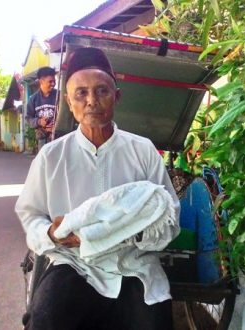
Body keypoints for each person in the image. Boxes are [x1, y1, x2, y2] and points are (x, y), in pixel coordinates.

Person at [15, 47, 180, 330]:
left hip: (133, 264)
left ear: (116, 96)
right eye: (81, 93)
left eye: (102, 91)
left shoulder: (143, 151)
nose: (91, 101)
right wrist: (51, 233)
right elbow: (31, 215)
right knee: (45, 321)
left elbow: (169, 218)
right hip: (73, 263)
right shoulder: (51, 156)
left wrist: (130, 231)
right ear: (68, 101)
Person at [26, 66, 58, 151]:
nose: (53, 84)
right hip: (42, 139)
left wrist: (57, 126)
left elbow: (67, 117)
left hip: (59, 138)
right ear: (41, 81)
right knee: (44, 163)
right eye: (50, 81)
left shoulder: (60, 96)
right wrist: (39, 121)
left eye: (54, 81)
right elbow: (28, 119)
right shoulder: (33, 99)